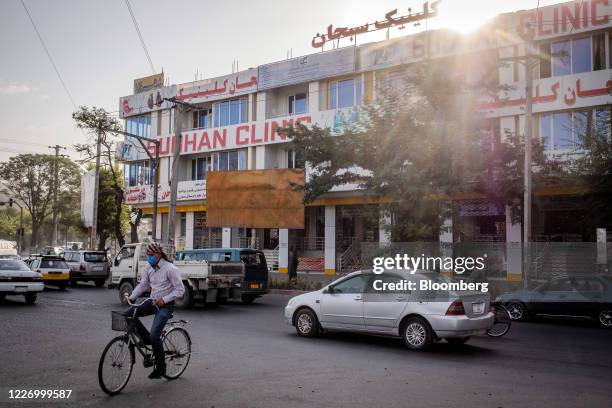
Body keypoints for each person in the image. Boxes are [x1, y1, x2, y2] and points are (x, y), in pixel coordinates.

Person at [125, 242, 184, 379]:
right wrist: (132, 297)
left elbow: (180, 290)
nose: (149, 258)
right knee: (129, 313)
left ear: (158, 254)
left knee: (154, 336)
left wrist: (164, 299)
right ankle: (146, 340)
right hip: (152, 302)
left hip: (165, 305)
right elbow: (144, 284)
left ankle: (161, 368)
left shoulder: (170, 269)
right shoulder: (149, 267)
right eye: (147, 255)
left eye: (151, 255)